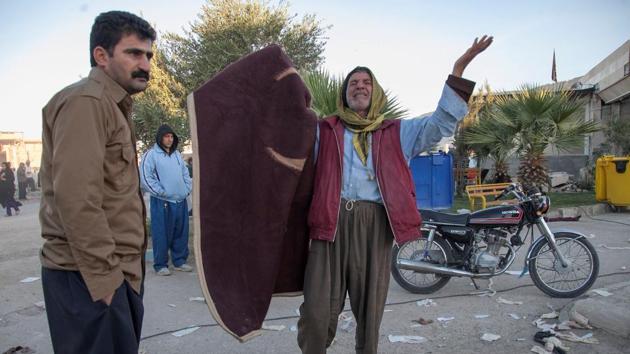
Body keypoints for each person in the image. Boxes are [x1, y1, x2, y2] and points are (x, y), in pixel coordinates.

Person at [297, 36, 493, 354]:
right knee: (317, 313)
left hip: (374, 225)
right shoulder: (324, 130)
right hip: (329, 225)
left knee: (369, 312)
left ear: (375, 92)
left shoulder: (397, 132)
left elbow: (440, 123)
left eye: (366, 83)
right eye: (353, 83)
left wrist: (458, 70)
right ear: (345, 94)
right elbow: (288, 154)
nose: (359, 86)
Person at [39, 11, 155, 354]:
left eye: (148, 55)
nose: (145, 64)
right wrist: (106, 284)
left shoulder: (113, 105)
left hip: (111, 274)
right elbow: (76, 198)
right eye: (134, 53)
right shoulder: (86, 102)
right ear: (101, 56)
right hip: (88, 277)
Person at [140, 124, 193, 276]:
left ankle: (179, 261)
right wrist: (161, 192)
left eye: (171, 137)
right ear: (160, 137)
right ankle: (161, 264)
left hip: (180, 200)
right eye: (166, 136)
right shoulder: (151, 155)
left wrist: (186, 189)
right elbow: (146, 176)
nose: (169, 139)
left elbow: (185, 173)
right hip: (162, 201)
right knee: (161, 232)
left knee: (181, 232)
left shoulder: (176, 154)